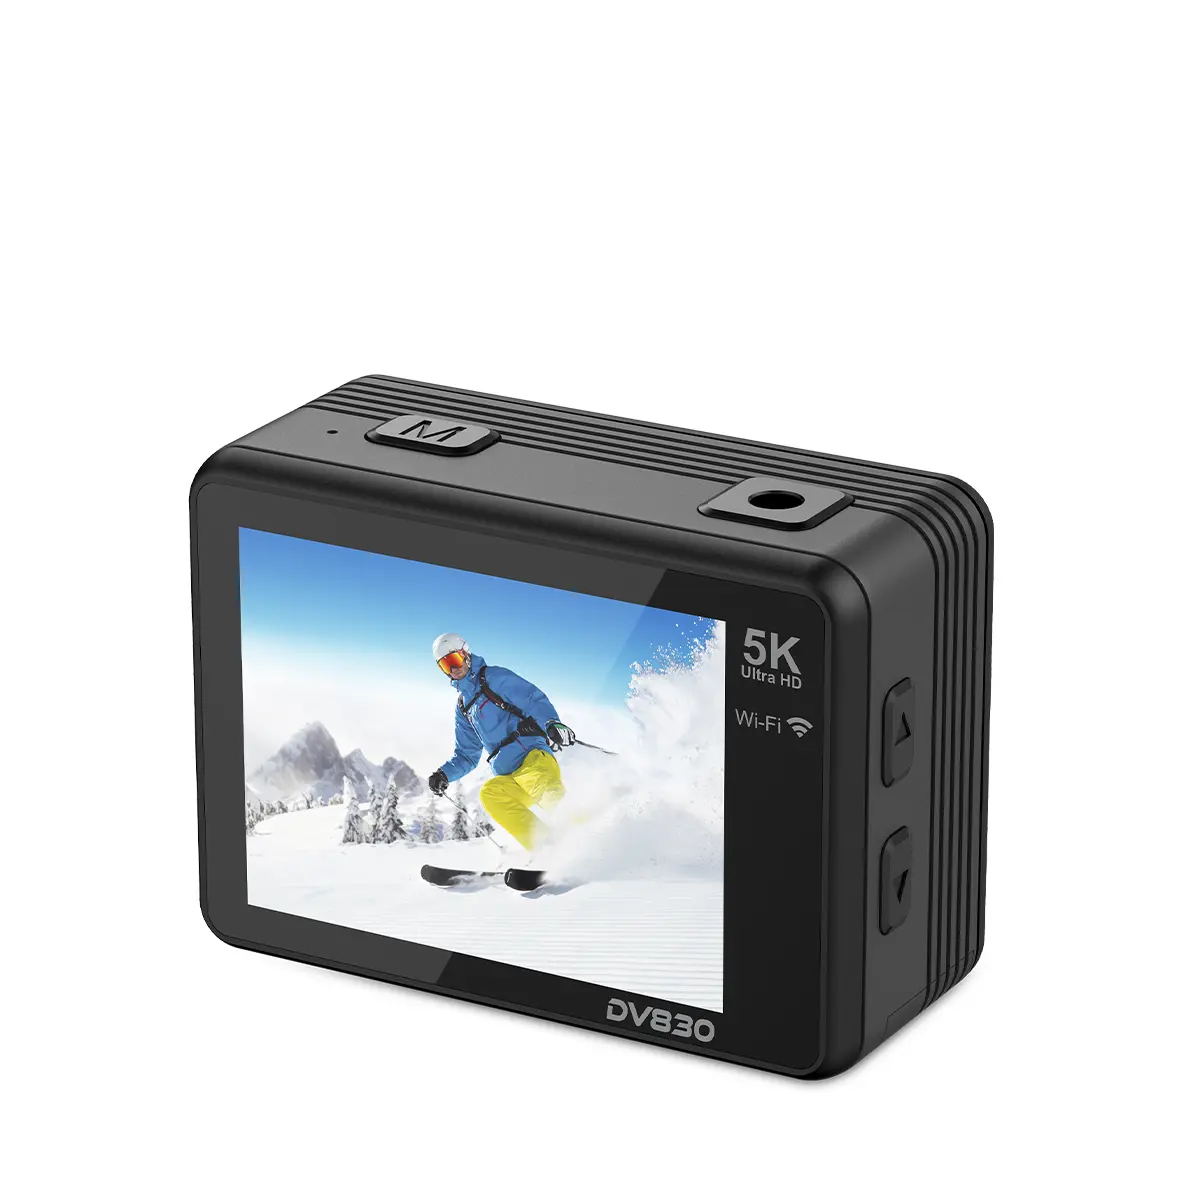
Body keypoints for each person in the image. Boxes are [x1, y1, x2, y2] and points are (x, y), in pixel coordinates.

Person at [426, 633, 575, 852]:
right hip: (508, 775)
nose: (453, 669)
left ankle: (582, 837)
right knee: (490, 794)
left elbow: (532, 699)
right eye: (445, 665)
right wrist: (444, 774)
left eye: (454, 660)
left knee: (545, 791)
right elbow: (467, 755)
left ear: (465, 654)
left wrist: (551, 723)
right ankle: (546, 847)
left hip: (532, 757)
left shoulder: (494, 678)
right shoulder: (464, 708)